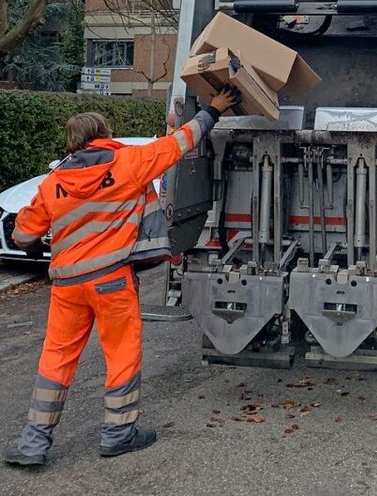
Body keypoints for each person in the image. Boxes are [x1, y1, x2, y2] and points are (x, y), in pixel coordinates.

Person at [4, 84, 241, 468]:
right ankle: (117, 434)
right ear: (105, 135)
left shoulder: (53, 183)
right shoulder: (127, 164)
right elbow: (181, 141)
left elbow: (24, 233)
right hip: (111, 280)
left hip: (67, 285)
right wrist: (213, 109)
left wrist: (39, 248)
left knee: (56, 360)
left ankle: (33, 445)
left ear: (72, 143)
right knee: (121, 355)